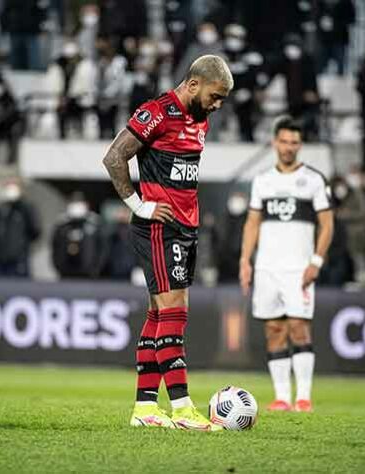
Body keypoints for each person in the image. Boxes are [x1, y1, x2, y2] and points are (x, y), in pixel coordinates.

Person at [102, 54, 233, 430]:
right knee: (174, 313)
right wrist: (138, 205)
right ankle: (182, 409)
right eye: (215, 96)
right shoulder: (157, 111)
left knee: (160, 314)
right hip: (159, 227)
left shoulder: (199, 117)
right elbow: (114, 157)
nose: (218, 104)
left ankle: (145, 408)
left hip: (184, 228)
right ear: (193, 84)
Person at [239, 117, 334, 413]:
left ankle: (303, 398)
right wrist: (246, 260)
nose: (289, 147)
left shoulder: (314, 180)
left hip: (298, 269)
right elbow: (252, 223)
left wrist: (316, 261)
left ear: (300, 145)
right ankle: (281, 397)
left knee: (299, 327)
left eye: (294, 142)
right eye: (284, 141)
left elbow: (327, 224)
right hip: (267, 268)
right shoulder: (263, 181)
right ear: (274, 143)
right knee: (274, 329)